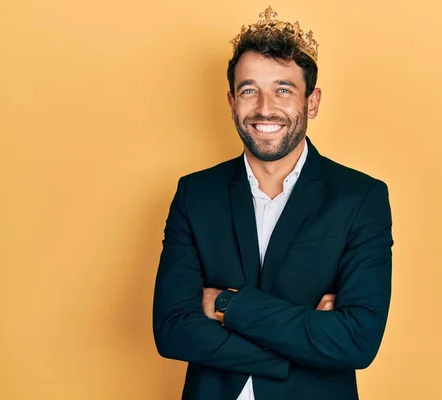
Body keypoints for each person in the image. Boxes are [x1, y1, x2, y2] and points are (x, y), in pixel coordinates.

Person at [152, 6, 393, 400]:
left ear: (311, 102)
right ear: (232, 101)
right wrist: (302, 347)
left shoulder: (360, 198)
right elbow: (172, 330)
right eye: (249, 90)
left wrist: (226, 304)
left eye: (283, 89)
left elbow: (357, 342)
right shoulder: (195, 194)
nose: (265, 108)